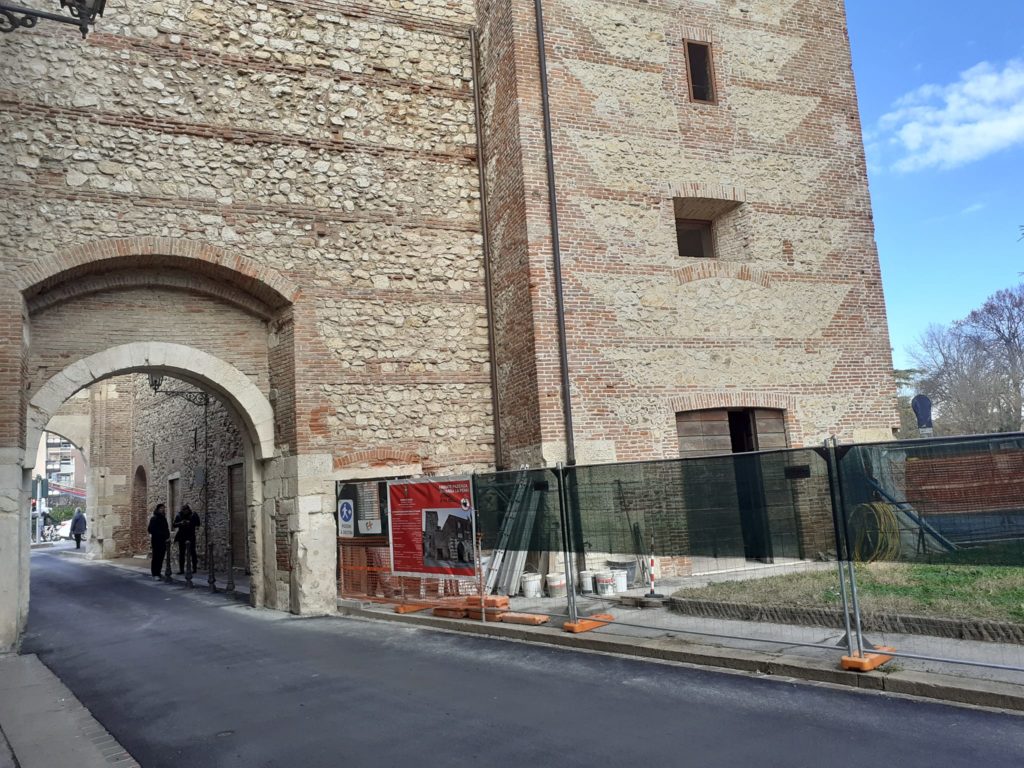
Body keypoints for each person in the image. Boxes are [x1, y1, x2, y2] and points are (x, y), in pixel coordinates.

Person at [172, 504, 200, 574]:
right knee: (182, 553)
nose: (184, 512)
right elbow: (174, 524)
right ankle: (181, 569)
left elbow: (198, 523)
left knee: (192, 552)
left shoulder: (193, 514)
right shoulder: (179, 515)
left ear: (188, 510)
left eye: (186, 510)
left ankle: (194, 568)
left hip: (190, 535)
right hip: (182, 536)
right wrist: (181, 523)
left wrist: (190, 523)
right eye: (183, 510)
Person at [147, 503, 170, 579]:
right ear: (158, 509)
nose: (162, 509)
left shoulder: (164, 518)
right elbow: (150, 529)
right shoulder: (154, 518)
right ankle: (155, 573)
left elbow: (166, 529)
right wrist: (160, 534)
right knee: (156, 557)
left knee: (161, 557)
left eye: (163, 508)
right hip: (156, 540)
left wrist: (167, 536)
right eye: (161, 508)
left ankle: (159, 572)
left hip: (163, 541)